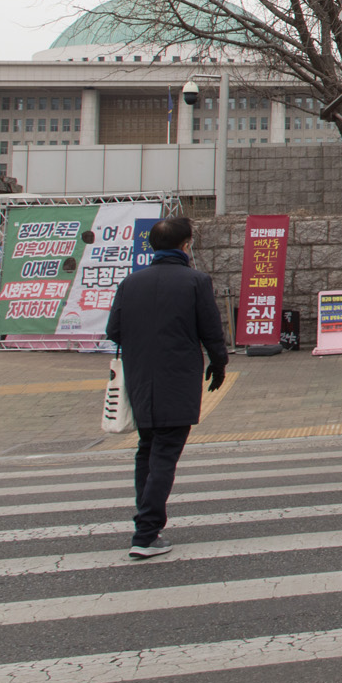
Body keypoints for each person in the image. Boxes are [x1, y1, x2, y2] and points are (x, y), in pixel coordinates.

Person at [104, 215, 226, 559]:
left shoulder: (131, 283)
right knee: (164, 454)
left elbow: (114, 331)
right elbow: (212, 332)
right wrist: (219, 364)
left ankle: (146, 524)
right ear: (186, 245)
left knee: (148, 448)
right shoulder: (196, 281)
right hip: (178, 378)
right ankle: (146, 532)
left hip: (141, 377)